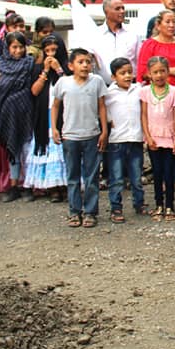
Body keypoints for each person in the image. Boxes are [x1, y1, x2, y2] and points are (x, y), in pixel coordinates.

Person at [52, 48, 108, 228]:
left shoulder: (97, 81)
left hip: (92, 134)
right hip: (70, 136)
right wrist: (54, 128)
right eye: (80, 62)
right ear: (70, 65)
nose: (85, 65)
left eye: (88, 62)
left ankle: (90, 212)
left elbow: (102, 107)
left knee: (92, 176)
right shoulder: (63, 83)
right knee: (73, 176)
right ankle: (74, 211)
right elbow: (55, 106)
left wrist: (104, 131)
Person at [0, 32, 38, 202]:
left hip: (25, 112)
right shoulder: (0, 64)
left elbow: (33, 89)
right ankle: (13, 185)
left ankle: (27, 185)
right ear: (7, 48)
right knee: (12, 150)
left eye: (21, 47)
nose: (18, 51)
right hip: (6, 113)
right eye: (14, 47)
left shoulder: (29, 63)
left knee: (26, 149)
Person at [25, 35, 68, 203]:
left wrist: (58, 70)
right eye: (47, 51)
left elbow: (69, 87)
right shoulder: (38, 69)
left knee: (63, 149)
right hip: (44, 116)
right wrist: (44, 71)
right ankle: (52, 187)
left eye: (54, 51)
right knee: (48, 149)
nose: (51, 54)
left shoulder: (67, 68)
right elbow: (34, 91)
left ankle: (65, 185)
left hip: (63, 116)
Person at [104, 57, 146, 222]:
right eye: (122, 73)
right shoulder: (109, 93)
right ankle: (116, 208)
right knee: (116, 178)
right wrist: (108, 121)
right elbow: (102, 108)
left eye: (129, 72)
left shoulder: (138, 90)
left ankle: (139, 204)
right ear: (114, 77)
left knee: (136, 176)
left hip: (135, 138)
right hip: (116, 140)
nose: (127, 76)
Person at [140, 56, 175, 222]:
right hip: (153, 137)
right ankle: (159, 205)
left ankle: (170, 205)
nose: (159, 75)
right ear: (149, 74)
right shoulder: (145, 92)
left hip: (169, 137)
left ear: (168, 72)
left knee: (169, 173)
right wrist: (147, 136)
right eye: (155, 72)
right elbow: (143, 115)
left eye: (162, 71)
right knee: (157, 172)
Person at [95, 0, 141, 84]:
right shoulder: (95, 35)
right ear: (106, 12)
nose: (122, 11)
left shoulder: (133, 34)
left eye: (123, 8)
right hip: (104, 87)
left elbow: (140, 60)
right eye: (117, 9)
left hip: (130, 86)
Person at [136, 10, 175, 87]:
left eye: (174, 22)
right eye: (167, 22)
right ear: (158, 25)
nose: (171, 25)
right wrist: (168, 71)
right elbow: (143, 73)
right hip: (159, 92)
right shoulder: (149, 44)